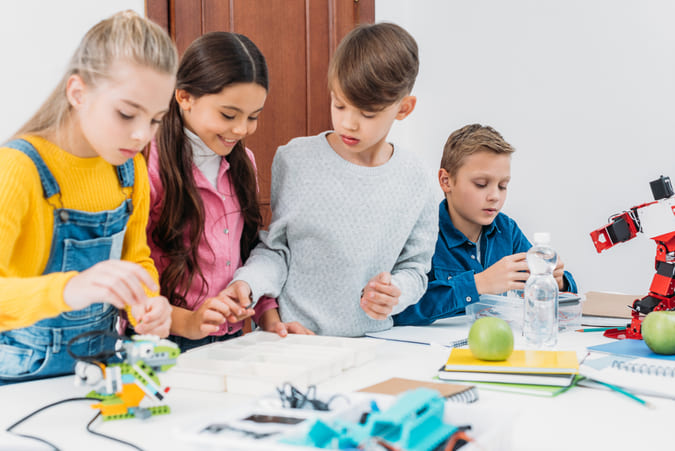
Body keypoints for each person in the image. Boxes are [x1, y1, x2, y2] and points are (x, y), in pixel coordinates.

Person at [221, 23, 438, 337]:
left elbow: (416, 270)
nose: (348, 123)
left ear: (403, 108)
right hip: (294, 340)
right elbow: (276, 250)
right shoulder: (295, 159)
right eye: (339, 104)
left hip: (373, 346)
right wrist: (248, 282)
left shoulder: (416, 178)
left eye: (367, 113)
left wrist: (397, 293)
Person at [0, 11, 177, 383]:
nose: (142, 135)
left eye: (156, 119)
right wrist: (69, 289)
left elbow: (137, 259)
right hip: (16, 385)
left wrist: (146, 302)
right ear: (78, 93)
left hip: (98, 376)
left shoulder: (130, 171)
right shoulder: (17, 168)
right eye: (127, 114)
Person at [146, 32, 310, 352]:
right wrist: (188, 323)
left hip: (231, 342)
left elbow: (248, 252)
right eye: (228, 115)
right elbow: (132, 281)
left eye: (253, 117)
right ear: (184, 97)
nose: (241, 129)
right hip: (163, 346)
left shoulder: (243, 163)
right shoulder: (148, 166)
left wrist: (271, 320)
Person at [394, 124, 577, 326]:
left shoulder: (507, 230)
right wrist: (479, 284)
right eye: (481, 184)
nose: (495, 197)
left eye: (503, 186)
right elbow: (399, 309)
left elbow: (565, 297)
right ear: (446, 181)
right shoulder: (422, 232)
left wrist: (556, 281)